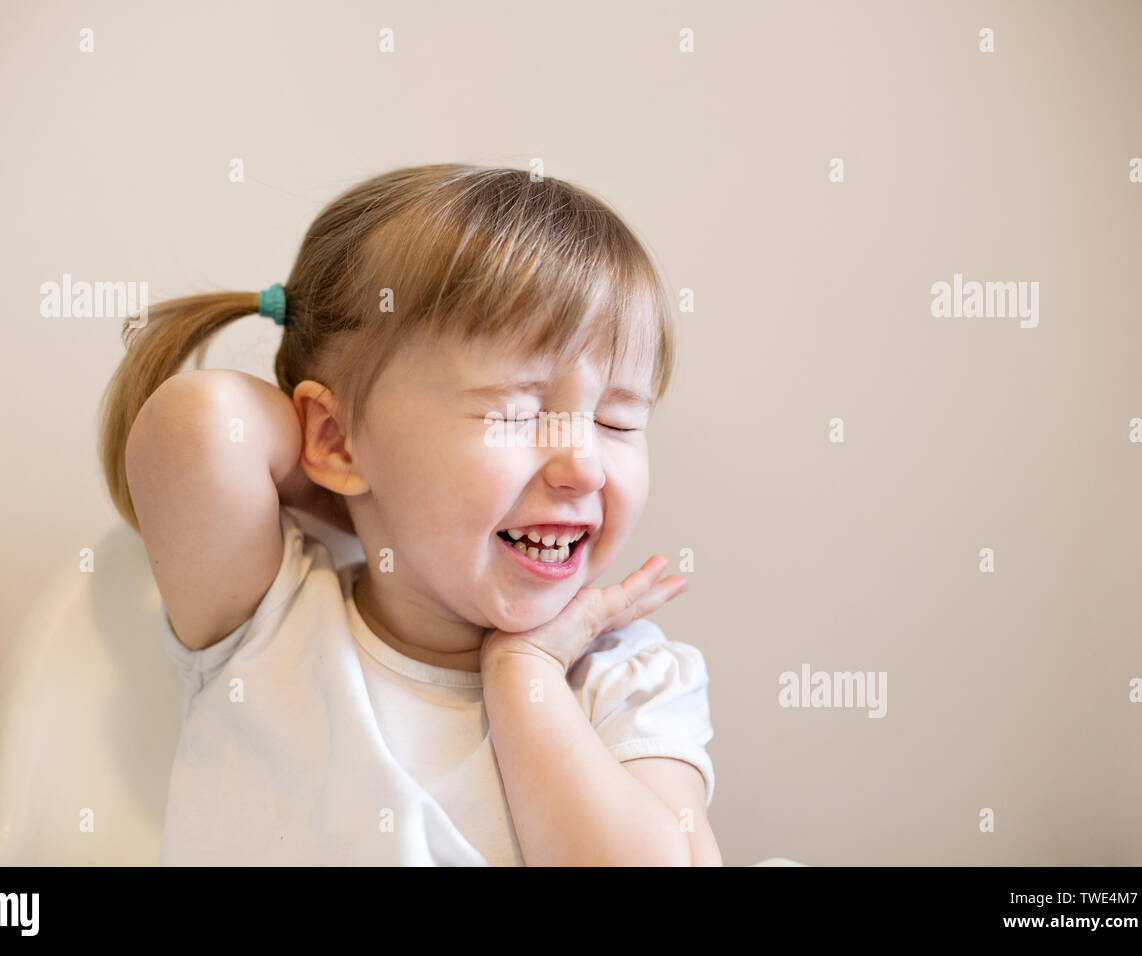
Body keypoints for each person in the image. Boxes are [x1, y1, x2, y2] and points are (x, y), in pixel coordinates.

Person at [97, 163, 720, 865]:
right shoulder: (271, 625)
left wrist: (526, 672)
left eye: (615, 421)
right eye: (518, 413)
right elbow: (201, 424)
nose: (585, 466)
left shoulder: (626, 680)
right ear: (330, 438)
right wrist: (363, 479)